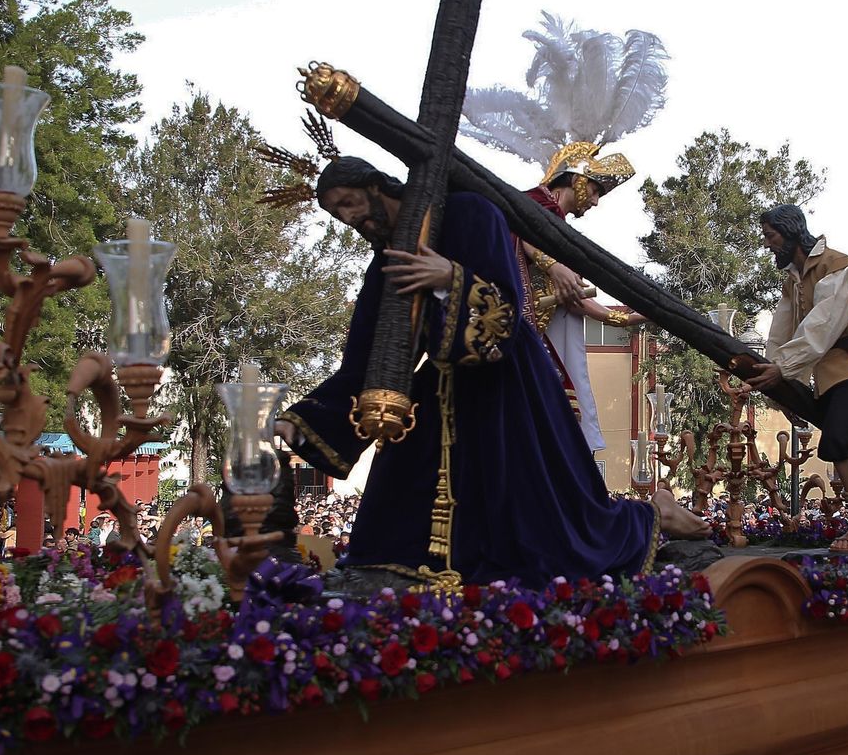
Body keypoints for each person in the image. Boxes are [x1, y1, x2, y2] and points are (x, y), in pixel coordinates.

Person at [274, 156, 709, 587]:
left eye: (349, 202)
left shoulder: (469, 210)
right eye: (336, 213)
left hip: (508, 385)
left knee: (546, 536)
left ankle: (653, 513)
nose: (349, 218)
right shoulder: (388, 258)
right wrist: (308, 419)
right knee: (395, 519)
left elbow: (506, 307)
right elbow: (370, 357)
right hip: (443, 390)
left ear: (375, 186)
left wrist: (449, 277)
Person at [745, 204, 848, 551]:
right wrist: (779, 381)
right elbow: (782, 331)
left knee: (839, 441)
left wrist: (784, 369)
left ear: (791, 232)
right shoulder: (794, 278)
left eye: (770, 236)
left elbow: (822, 326)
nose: (767, 244)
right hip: (833, 375)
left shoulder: (837, 267)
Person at [517, 148, 648, 453]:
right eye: (594, 190)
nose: (595, 201)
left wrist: (624, 319)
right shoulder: (531, 205)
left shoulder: (562, 234)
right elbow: (520, 227)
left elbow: (573, 300)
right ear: (577, 179)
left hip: (534, 338)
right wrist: (554, 266)